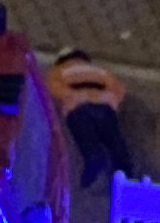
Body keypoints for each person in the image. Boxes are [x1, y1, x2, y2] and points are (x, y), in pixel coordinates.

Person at [43, 47, 134, 188]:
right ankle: (125, 171)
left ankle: (94, 157)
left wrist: (72, 96)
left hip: (78, 106)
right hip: (104, 106)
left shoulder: (59, 70)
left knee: (86, 136)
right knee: (113, 138)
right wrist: (110, 101)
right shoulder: (99, 70)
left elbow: (52, 87)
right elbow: (118, 89)